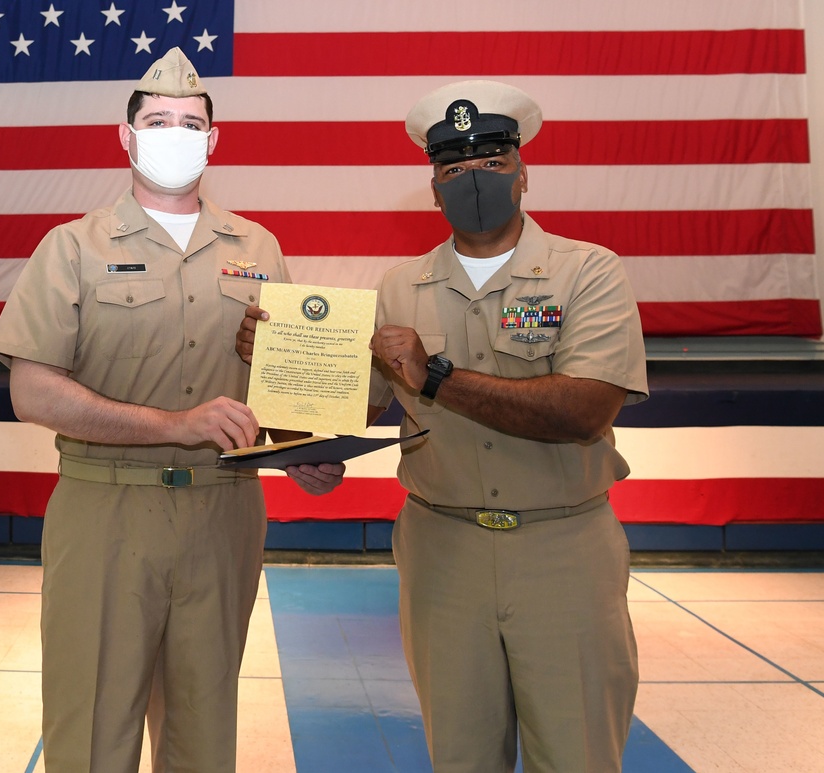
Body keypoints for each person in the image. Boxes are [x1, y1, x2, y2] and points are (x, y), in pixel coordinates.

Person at [239, 80, 648, 772]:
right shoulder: (398, 288)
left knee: (579, 753)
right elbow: (350, 410)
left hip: (563, 550)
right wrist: (273, 369)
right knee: (458, 754)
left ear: (522, 172)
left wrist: (436, 376)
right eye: (453, 167)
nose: (473, 178)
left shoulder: (589, 272)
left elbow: (585, 409)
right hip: (442, 551)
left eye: (490, 159)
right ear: (432, 188)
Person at [0, 47, 343, 773]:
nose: (174, 134)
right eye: (157, 120)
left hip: (223, 512)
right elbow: (33, 390)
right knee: (92, 729)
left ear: (214, 140)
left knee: (203, 731)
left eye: (189, 122)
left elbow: (279, 384)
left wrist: (303, 447)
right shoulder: (71, 250)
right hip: (105, 511)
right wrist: (173, 426)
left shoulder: (258, 247)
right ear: (126, 135)